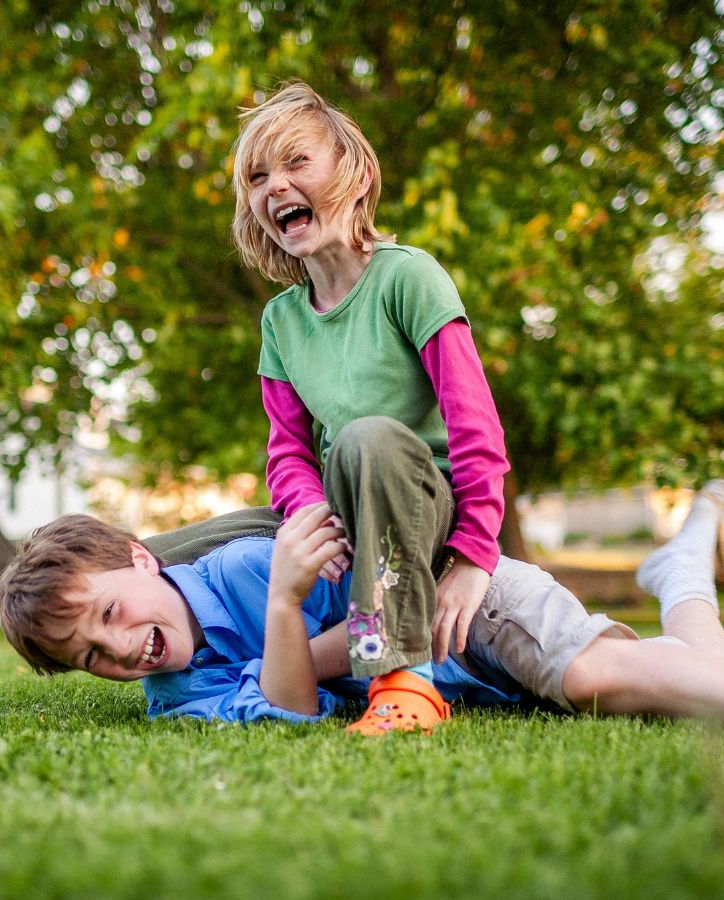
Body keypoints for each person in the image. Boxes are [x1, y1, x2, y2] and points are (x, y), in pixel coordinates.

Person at [0, 482, 724, 762]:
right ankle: (681, 580)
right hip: (463, 668)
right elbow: (290, 713)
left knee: (598, 678)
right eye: (91, 656)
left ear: (142, 557)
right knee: (674, 685)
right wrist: (287, 612)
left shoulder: (239, 561)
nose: (119, 647)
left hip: (465, 594)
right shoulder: (175, 696)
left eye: (110, 613)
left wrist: (302, 637)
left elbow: (392, 604)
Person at [230, 80, 510, 733]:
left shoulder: (408, 277)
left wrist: (473, 559)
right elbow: (288, 452)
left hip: (425, 504)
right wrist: (309, 515)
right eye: (258, 176)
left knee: (366, 438)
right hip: (348, 510)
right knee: (199, 542)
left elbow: (477, 430)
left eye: (297, 163)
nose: (276, 186)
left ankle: (402, 682)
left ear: (352, 176)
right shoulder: (281, 322)